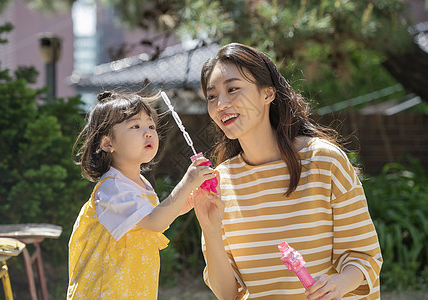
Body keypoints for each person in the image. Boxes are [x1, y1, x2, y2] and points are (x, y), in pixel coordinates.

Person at [193, 43, 382, 300]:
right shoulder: (219, 184)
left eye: (233, 89)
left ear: (268, 93)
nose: (221, 104)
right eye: (212, 96)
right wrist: (210, 230)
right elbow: (228, 294)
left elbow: (364, 256)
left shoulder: (324, 161)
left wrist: (337, 284)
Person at [67, 91, 216, 299]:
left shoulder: (139, 184)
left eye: (151, 126)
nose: (147, 133)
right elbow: (154, 222)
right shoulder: (113, 188)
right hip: (105, 291)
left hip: (131, 288)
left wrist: (187, 199)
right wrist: (186, 183)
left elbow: (154, 219)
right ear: (108, 143)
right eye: (135, 126)